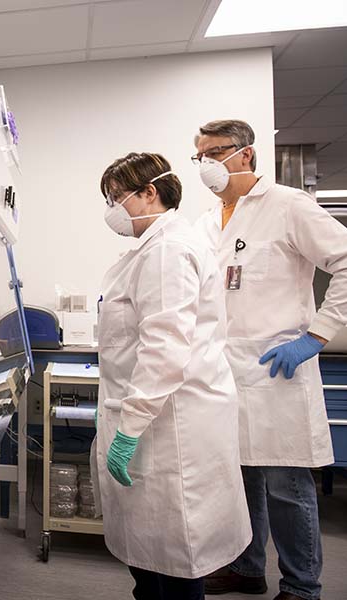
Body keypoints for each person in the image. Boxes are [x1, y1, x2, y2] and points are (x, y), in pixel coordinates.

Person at [193, 119, 347, 600]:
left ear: (246, 155)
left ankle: (302, 587)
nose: (207, 165)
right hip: (225, 370)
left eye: (216, 153)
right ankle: (246, 567)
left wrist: (316, 336)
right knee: (240, 478)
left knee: (286, 484)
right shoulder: (208, 220)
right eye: (200, 156)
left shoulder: (287, 206)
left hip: (279, 366)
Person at [95, 152, 251, 600]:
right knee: (153, 560)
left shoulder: (169, 250)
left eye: (117, 197)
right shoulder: (151, 250)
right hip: (155, 420)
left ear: (150, 192)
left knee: (176, 560)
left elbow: (163, 350)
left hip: (169, 427)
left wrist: (129, 429)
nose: (111, 209)